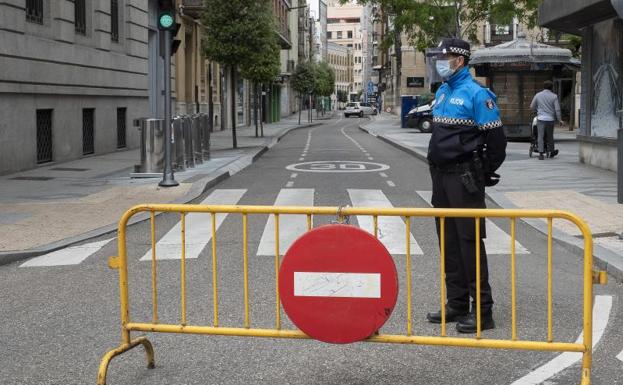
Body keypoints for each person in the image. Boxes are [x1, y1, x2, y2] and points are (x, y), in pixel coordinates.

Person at [426, 38, 507, 333]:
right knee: (447, 241)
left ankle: (483, 310)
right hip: (441, 177)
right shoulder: (444, 91)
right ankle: (457, 302)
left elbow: (496, 142)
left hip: (464, 178)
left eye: (445, 55)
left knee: (469, 242)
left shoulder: (477, 94)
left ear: (459, 60)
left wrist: (482, 173)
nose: (441, 60)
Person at [530, 80, 563, 160]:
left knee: (540, 136)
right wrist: (559, 120)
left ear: (543, 87)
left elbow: (532, 106)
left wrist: (537, 109)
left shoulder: (538, 95)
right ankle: (551, 151)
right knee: (550, 136)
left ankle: (541, 154)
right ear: (551, 88)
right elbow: (557, 109)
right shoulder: (554, 96)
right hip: (550, 120)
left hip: (541, 119)